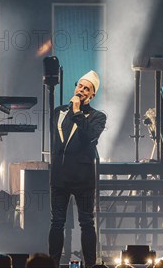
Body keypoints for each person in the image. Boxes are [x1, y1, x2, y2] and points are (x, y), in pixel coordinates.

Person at [48, 70, 106, 268]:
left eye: (86, 88)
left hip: (83, 178)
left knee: (86, 222)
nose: (81, 90)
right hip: (60, 176)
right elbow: (57, 141)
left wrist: (78, 112)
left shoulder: (98, 117)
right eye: (80, 86)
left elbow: (89, 136)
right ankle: (53, 262)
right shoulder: (58, 111)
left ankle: (90, 264)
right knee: (57, 222)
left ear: (92, 95)